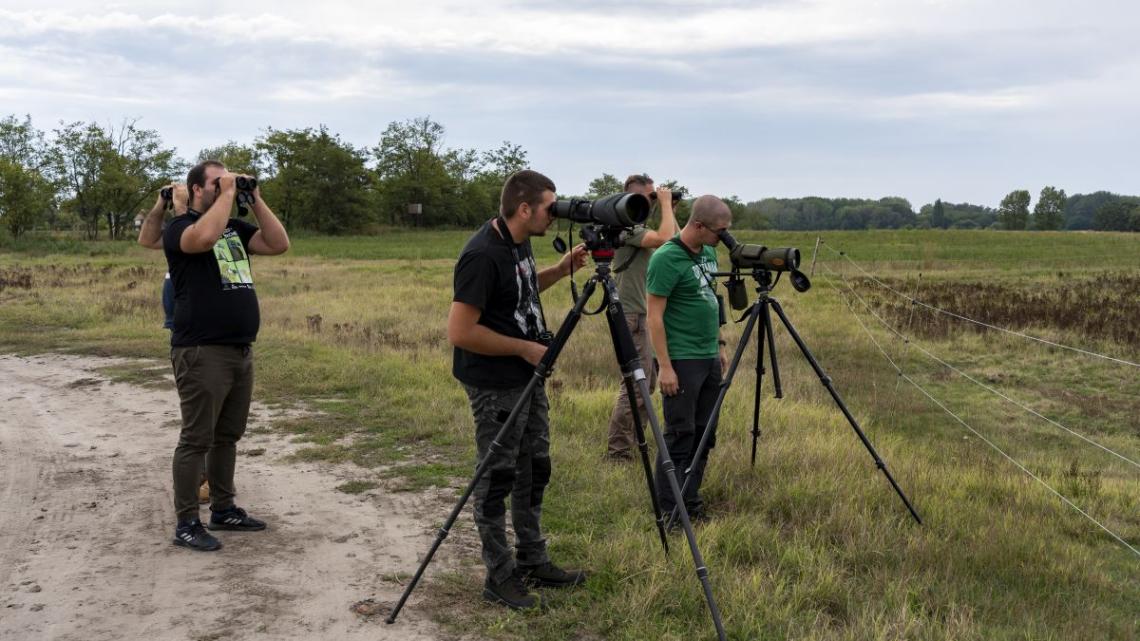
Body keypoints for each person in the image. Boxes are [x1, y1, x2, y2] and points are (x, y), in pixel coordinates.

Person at [447, 169, 589, 609]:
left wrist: (561, 269)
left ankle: (532, 558)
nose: (555, 214)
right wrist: (526, 349)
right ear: (524, 208)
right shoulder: (482, 255)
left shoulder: (519, 242)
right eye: (550, 206)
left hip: (527, 375)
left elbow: (520, 291)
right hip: (495, 384)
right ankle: (499, 574)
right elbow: (460, 331)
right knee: (497, 477)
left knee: (534, 466)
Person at [164, 160, 290, 551]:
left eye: (227, 181)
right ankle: (187, 521)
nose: (225, 188)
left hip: (238, 349)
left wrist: (255, 199)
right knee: (196, 439)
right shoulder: (180, 230)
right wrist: (229, 194)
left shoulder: (234, 228)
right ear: (197, 190)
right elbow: (204, 238)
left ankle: (223, 508)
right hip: (202, 350)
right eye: (217, 183)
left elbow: (278, 243)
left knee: (227, 436)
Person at [646, 195, 732, 524]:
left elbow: (712, 299)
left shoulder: (708, 252)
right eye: (718, 231)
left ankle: (690, 498)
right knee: (680, 435)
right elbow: (655, 316)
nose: (722, 239)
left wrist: (720, 344)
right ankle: (671, 510)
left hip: (708, 355)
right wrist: (665, 366)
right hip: (681, 359)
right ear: (697, 225)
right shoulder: (666, 258)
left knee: (704, 435)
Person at [138, 184, 210, 504]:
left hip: (205, 336)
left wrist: (182, 209)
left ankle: (206, 480)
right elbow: (147, 239)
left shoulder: (207, 230)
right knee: (196, 413)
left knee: (203, 414)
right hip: (184, 334)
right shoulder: (181, 229)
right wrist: (160, 205)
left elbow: (193, 236)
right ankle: (205, 478)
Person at [603, 174, 680, 461]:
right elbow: (665, 239)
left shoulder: (637, 228)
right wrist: (666, 206)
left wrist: (668, 209)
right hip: (634, 314)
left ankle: (634, 446)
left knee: (645, 385)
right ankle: (619, 451)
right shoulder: (626, 228)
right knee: (636, 385)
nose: (654, 202)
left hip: (643, 314)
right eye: (649, 198)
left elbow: (677, 243)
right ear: (634, 198)